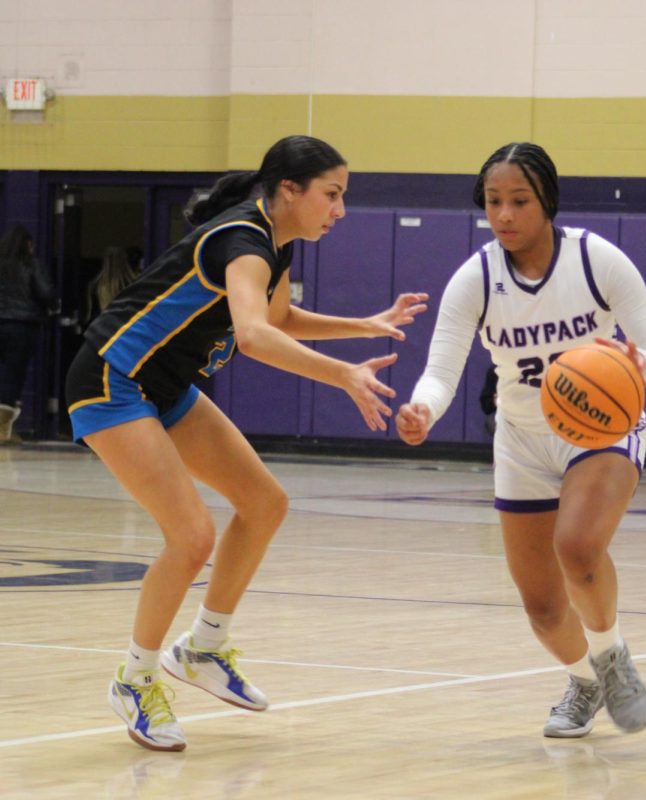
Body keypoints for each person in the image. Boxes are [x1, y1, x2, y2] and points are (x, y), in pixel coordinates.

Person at [66, 134, 428, 752]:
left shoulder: (275, 245)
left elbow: (280, 319)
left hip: (165, 383)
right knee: (192, 536)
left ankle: (204, 647)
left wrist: (362, 325)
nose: (340, 210)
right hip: (114, 378)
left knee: (264, 503)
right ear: (289, 189)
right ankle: (135, 679)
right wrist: (342, 374)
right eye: (331, 195)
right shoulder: (243, 239)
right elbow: (255, 336)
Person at [395, 142, 646, 739]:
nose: (504, 215)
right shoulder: (475, 278)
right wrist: (422, 408)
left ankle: (612, 657)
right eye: (494, 202)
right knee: (543, 608)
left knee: (577, 548)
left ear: (546, 200)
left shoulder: (597, 260)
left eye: (518, 201)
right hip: (522, 440)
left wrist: (636, 363)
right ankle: (584, 682)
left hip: (603, 432)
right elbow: (442, 371)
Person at [0, 223, 56, 445]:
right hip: (23, 327)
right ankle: (2, 429)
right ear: (27, 244)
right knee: (14, 377)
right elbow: (46, 292)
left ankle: (8, 427)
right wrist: (52, 306)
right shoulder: (31, 264)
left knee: (12, 374)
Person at [82, 245, 138, 327]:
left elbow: (90, 315)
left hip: (103, 329)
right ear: (124, 260)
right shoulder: (132, 283)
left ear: (105, 261)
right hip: (125, 329)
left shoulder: (95, 285)